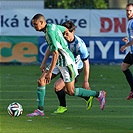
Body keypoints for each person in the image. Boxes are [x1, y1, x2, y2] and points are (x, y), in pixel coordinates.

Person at [27, 14, 106, 117]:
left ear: (42, 23)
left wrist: (49, 72)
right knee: (41, 81)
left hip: (67, 62)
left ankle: (98, 94)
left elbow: (55, 53)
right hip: (59, 61)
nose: (34, 27)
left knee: (70, 91)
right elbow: (64, 29)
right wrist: (44, 63)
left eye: (35, 24)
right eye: (33, 24)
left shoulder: (50, 32)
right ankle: (40, 110)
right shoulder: (52, 26)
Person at [53, 20, 91, 113]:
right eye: (63, 34)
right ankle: (87, 96)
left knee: (58, 87)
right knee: (44, 80)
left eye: (66, 34)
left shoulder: (80, 45)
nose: (65, 36)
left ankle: (63, 107)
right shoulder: (61, 39)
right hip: (62, 64)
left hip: (74, 68)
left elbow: (86, 63)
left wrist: (86, 81)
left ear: (72, 31)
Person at [120, 3, 133, 100]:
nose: (128, 12)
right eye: (127, 10)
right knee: (124, 67)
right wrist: (127, 39)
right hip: (132, 51)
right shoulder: (130, 21)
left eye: (130, 11)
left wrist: (126, 45)